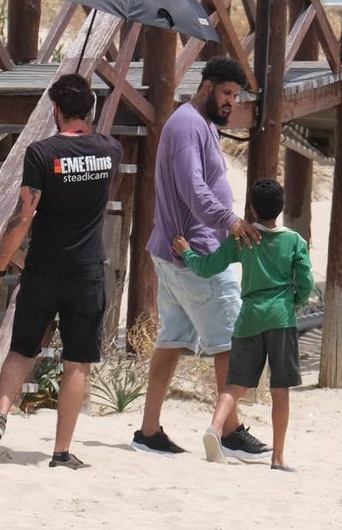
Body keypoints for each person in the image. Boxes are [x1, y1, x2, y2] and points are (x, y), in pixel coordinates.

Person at [0, 73, 121, 470]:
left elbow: (23, 217)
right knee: (77, 362)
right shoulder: (111, 150)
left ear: (55, 109)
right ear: (90, 109)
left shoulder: (41, 152)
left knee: (23, 348)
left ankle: (0, 416)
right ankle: (60, 452)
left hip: (43, 267)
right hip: (87, 269)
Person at [133, 56, 269, 459]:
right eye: (227, 93)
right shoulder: (188, 124)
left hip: (175, 252)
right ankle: (229, 432)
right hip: (199, 255)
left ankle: (148, 430)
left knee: (171, 341)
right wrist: (228, 219)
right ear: (207, 86)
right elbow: (193, 187)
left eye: (236, 97)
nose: (231, 102)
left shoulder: (198, 123)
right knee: (229, 340)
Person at [173, 178, 312, 472]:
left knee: (235, 384)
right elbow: (306, 282)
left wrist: (186, 250)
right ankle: (277, 458)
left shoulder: (242, 239)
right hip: (281, 319)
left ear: (251, 208)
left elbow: (206, 267)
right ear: (281, 207)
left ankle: (215, 428)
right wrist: (293, 302)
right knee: (280, 390)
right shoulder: (294, 241)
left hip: (249, 317)